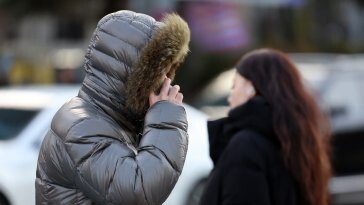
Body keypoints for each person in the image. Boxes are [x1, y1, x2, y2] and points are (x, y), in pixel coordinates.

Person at [36, 10, 190, 205]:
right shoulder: (81, 126)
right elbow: (138, 191)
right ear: (132, 76)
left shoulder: (107, 121)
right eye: (159, 73)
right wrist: (166, 116)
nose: (166, 81)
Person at [200, 49, 331, 205]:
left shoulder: (245, 146)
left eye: (234, 86)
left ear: (251, 88)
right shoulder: (295, 142)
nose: (230, 97)